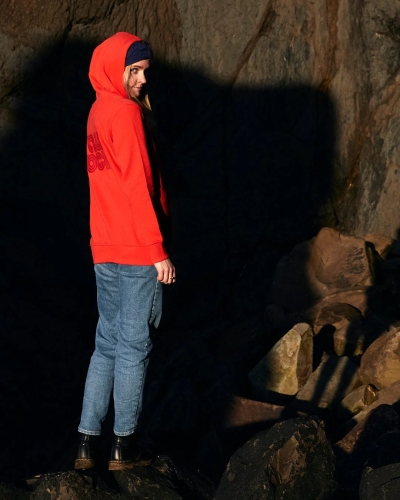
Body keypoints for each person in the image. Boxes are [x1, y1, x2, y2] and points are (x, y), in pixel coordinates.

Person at [74, 32, 175, 471]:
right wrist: (158, 251)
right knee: (134, 347)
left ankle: (86, 442)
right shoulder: (126, 113)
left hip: (104, 248)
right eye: (134, 70)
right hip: (136, 250)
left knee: (106, 346)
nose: (141, 79)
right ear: (116, 69)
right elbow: (137, 186)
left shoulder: (96, 112)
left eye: (145, 71)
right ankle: (124, 446)